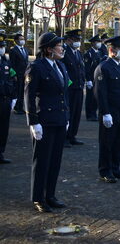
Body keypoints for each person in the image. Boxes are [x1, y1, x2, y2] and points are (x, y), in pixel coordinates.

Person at [25, 32, 69, 212]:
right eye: (59, 46)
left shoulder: (60, 66)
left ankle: (50, 194)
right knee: (42, 160)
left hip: (59, 119)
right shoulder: (36, 67)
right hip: (44, 121)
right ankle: (38, 198)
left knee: (55, 160)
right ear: (49, 49)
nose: (62, 48)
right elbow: (28, 95)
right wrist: (33, 122)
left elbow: (64, 94)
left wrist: (67, 117)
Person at [93, 36, 120, 183]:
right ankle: (105, 170)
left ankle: (116, 168)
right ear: (112, 50)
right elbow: (100, 92)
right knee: (107, 142)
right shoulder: (103, 67)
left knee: (119, 141)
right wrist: (105, 112)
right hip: (110, 110)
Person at [61, 29, 85, 147]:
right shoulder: (64, 52)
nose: (78, 42)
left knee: (76, 113)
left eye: (79, 40)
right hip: (69, 88)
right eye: (76, 40)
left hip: (79, 87)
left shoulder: (78, 53)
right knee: (68, 113)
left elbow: (81, 69)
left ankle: (72, 135)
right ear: (69, 40)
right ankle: (64, 137)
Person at [0, 34, 17, 164]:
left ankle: (0, 152)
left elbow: (12, 78)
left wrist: (14, 97)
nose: (2, 49)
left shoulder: (5, 61)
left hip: (5, 99)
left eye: (2, 46)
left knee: (3, 128)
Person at [83, 35, 104, 121]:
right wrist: (88, 80)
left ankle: (94, 113)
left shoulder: (99, 52)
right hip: (91, 79)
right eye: (97, 42)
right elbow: (87, 68)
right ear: (92, 43)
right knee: (90, 98)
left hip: (98, 79)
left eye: (99, 41)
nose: (99, 43)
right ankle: (89, 114)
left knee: (96, 97)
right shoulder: (88, 54)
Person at [10, 33, 29, 114]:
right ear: (16, 41)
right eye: (20, 39)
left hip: (25, 74)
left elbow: (26, 62)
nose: (22, 41)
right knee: (18, 91)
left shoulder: (25, 49)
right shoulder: (13, 50)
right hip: (18, 75)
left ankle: (21, 107)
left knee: (23, 91)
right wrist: (14, 75)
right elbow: (12, 64)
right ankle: (17, 108)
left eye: (23, 39)